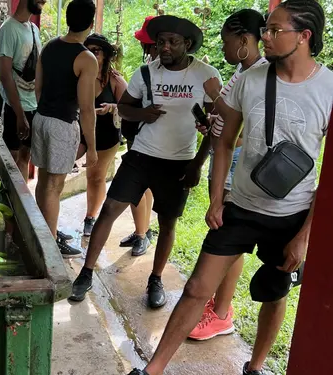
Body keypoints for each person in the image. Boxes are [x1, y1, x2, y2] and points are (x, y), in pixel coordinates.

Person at [130, 1, 332, 374]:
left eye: (274, 31)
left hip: (292, 214)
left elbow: (329, 178)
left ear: (304, 36)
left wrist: (305, 234)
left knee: (274, 294)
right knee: (195, 288)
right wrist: (217, 199)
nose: (265, 38)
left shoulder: (329, 88)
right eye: (265, 30)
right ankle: (152, 369)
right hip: (239, 207)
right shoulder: (249, 81)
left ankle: (254, 367)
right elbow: (223, 139)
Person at [70, 15, 221, 305]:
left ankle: (156, 279)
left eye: (172, 42)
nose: (164, 47)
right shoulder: (146, 73)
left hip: (179, 162)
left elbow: (215, 125)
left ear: (187, 44)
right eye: (160, 42)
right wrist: (144, 113)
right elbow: (125, 108)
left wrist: (197, 164)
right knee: (110, 209)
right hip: (141, 155)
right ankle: (86, 273)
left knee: (167, 222)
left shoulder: (206, 74)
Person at [188, 9, 269, 342]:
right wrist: (213, 120)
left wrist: (214, 97)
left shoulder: (261, 75)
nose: (223, 48)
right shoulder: (244, 70)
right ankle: (218, 302)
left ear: (245, 40)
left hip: (236, 164)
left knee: (229, 241)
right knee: (223, 236)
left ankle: (221, 314)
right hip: (225, 160)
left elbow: (247, 128)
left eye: (227, 42)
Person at [33, 0, 98, 258]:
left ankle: (43, 231)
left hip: (42, 118)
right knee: (54, 187)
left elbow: (37, 88)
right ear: (90, 24)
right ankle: (49, 246)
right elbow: (87, 106)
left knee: (43, 179)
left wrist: (46, 112)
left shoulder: (48, 47)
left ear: (69, 19)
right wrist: (91, 147)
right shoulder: (86, 58)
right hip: (62, 124)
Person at [77, 33, 127, 236]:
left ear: (105, 56)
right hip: (80, 132)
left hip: (106, 135)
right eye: (86, 50)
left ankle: (90, 217)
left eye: (95, 51)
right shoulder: (78, 74)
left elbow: (129, 108)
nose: (90, 54)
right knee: (60, 168)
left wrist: (113, 107)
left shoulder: (115, 80)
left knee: (95, 177)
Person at [119, 15, 158, 255]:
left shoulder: (148, 72)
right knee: (146, 187)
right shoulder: (156, 71)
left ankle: (142, 234)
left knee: (137, 187)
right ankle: (142, 228)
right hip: (150, 138)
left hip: (144, 139)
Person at [0, 0, 46, 181]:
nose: (44, 1)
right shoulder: (8, 29)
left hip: (31, 105)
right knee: (10, 159)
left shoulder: (33, 29)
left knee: (25, 156)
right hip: (11, 105)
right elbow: (5, 74)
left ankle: (21, 204)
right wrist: (19, 114)